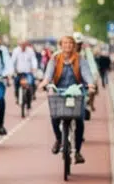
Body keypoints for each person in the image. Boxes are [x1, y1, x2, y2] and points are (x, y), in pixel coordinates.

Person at [39, 35, 96, 164]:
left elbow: (87, 74)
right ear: (61, 45)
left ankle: (77, 152)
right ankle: (59, 139)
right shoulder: (55, 59)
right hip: (59, 92)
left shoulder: (80, 59)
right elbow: (48, 75)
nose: (68, 46)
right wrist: (44, 83)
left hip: (76, 92)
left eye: (70, 43)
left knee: (79, 120)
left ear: (74, 45)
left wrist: (91, 84)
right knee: (54, 116)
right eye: (65, 43)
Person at [74, 33, 100, 114]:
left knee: (91, 88)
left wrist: (94, 76)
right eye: (76, 44)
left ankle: (90, 104)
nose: (77, 46)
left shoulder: (86, 51)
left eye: (79, 44)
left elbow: (91, 63)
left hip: (84, 75)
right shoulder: (68, 50)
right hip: (72, 76)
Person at [11, 39, 39, 107]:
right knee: (16, 84)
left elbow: (33, 60)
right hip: (18, 72)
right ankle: (17, 97)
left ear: (26, 44)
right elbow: (12, 61)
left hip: (28, 72)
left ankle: (29, 100)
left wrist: (34, 67)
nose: (23, 46)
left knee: (30, 84)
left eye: (24, 44)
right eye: (21, 44)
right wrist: (12, 70)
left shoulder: (30, 51)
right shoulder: (16, 51)